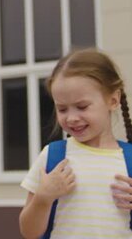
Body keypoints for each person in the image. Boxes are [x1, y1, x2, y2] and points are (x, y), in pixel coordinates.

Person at [19, 48, 132, 238]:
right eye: (62, 109)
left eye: (82, 107)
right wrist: (43, 198)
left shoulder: (128, 160)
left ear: (113, 100)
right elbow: (29, 232)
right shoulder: (53, 158)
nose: (71, 118)